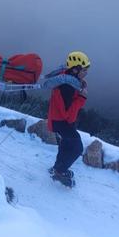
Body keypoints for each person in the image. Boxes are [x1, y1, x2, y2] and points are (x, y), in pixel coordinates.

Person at [46, 51, 90, 187]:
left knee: (66, 143)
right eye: (84, 70)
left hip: (58, 119)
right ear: (75, 69)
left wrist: (80, 84)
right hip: (61, 122)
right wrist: (82, 97)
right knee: (77, 147)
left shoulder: (66, 78)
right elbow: (69, 114)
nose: (86, 73)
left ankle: (58, 167)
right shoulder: (67, 87)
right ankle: (59, 171)